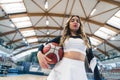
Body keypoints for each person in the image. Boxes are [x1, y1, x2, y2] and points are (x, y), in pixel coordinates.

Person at [37, 15, 101, 80]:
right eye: (72, 20)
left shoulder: (86, 39)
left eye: (78, 21)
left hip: (79, 70)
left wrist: (98, 77)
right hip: (63, 68)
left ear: (80, 25)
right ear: (68, 24)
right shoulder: (62, 38)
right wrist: (39, 54)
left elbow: (92, 59)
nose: (75, 22)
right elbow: (43, 45)